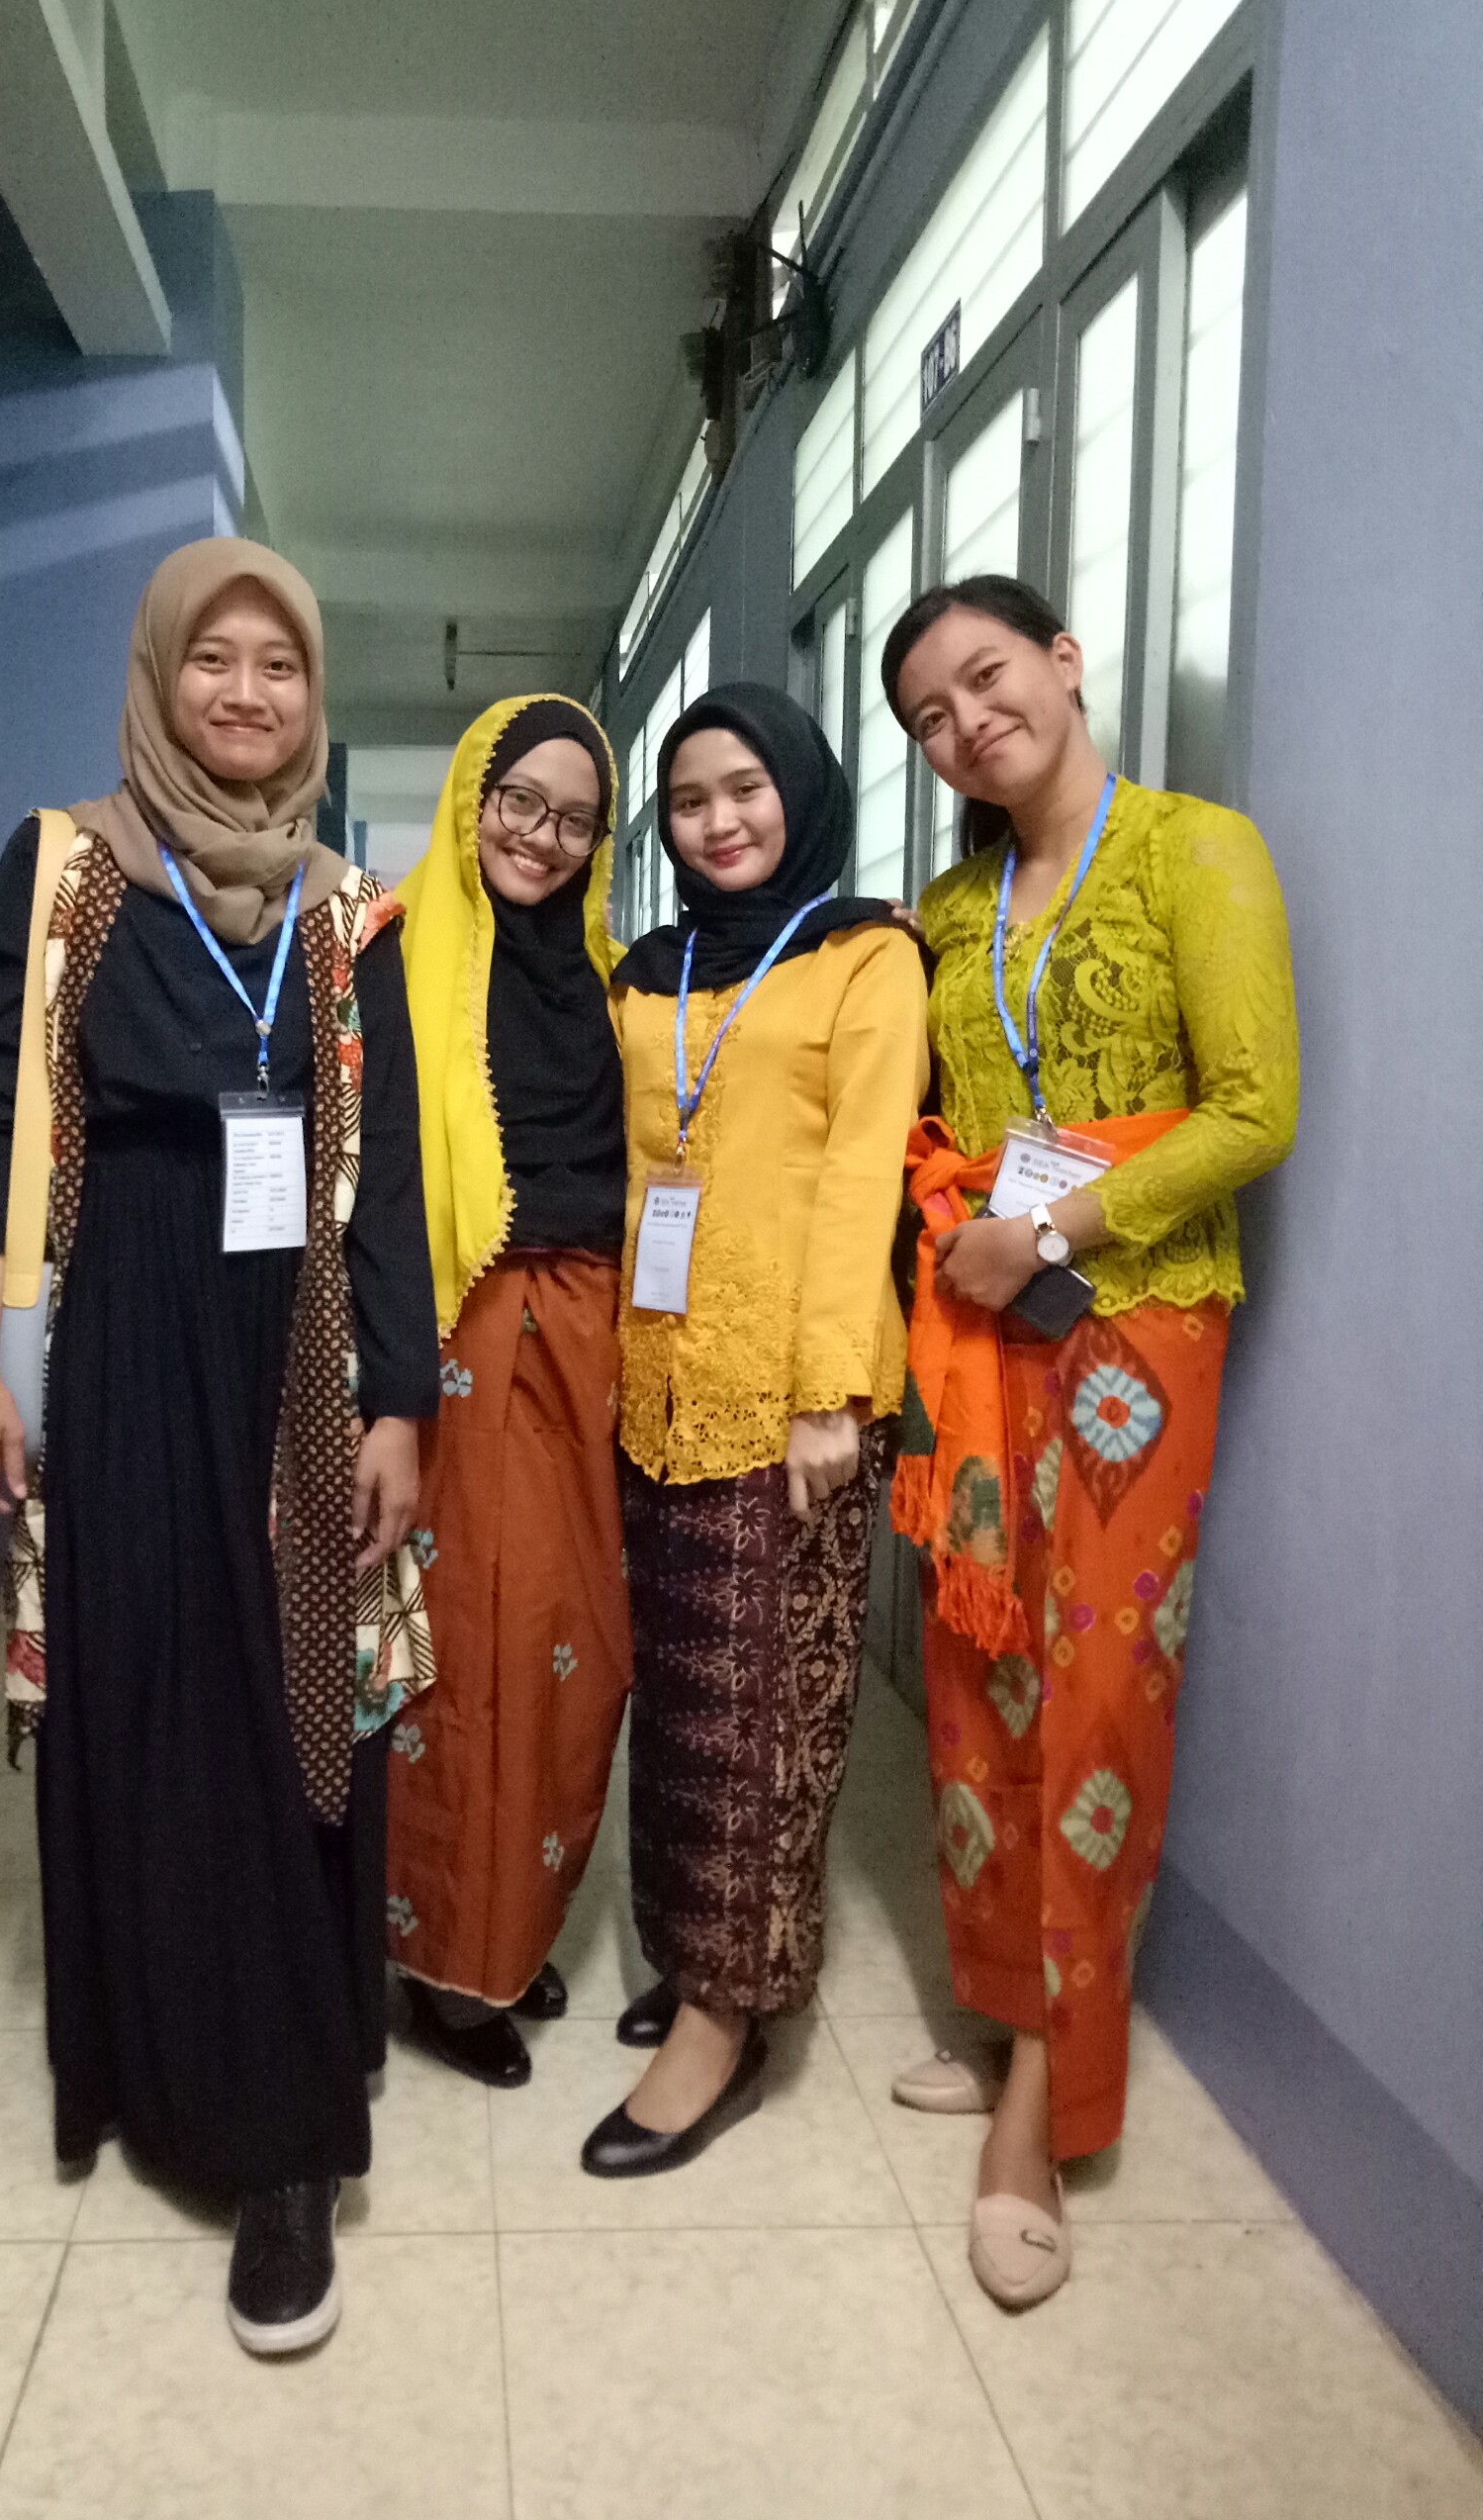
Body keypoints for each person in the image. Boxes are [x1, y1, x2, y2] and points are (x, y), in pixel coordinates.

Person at [0, 538, 441, 2357]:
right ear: (159, 679)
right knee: (152, 1688)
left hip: (303, 1340)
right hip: (134, 1326)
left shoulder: (349, 912)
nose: (246, 692)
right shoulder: (65, 869)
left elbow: (391, 1170)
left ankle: (285, 2132)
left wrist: (402, 1401)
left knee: (294, 1697)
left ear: (313, 697)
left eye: (278, 664)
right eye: (212, 659)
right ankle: (158, 2052)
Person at [881, 574, 1299, 2307]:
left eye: (986, 679)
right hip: (981, 1333)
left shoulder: (1200, 852)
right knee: (978, 1669)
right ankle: (1000, 2008)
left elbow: (1255, 1111)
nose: (967, 726)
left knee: (1100, 1686)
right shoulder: (948, 909)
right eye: (930, 718)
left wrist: (1051, 1230)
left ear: (1062, 662)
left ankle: (1050, 2092)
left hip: (1132, 1329)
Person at [583, 680, 929, 2178]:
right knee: (677, 1709)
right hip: (651, 1384)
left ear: (800, 791)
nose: (718, 822)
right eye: (688, 802)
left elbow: (863, 1178)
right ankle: (687, 1953)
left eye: (745, 790)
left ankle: (732, 2015)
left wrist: (828, 1393)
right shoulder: (647, 971)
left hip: (790, 1401)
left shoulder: (865, 958)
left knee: (764, 1722)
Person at [385, 697, 633, 2087]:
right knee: (466, 1643)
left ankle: (509, 1926)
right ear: (472, 794)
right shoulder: (390, 945)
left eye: (574, 819)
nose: (541, 836)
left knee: (573, 1645)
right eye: (518, 801)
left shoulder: (604, 975)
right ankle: (444, 1963)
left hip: (588, 1329)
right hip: (456, 1328)